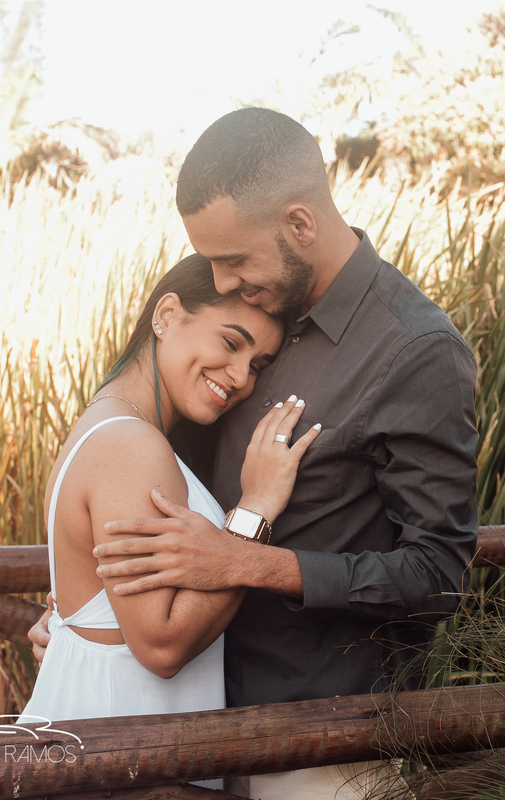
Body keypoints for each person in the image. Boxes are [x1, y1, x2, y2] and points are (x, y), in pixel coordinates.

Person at [30, 108, 480, 799]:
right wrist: (86, 616)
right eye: (211, 265)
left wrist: (253, 559)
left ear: (299, 225)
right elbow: (160, 486)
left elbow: (438, 576)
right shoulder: (260, 321)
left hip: (316, 743)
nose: (227, 280)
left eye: (234, 260)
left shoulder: (413, 351)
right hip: (195, 726)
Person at [18, 254, 320, 789]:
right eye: (231, 343)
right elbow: (161, 644)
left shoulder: (115, 424)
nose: (240, 377)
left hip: (118, 739)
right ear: (167, 315)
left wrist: (64, 626)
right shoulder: (131, 445)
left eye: (258, 365)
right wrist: (255, 509)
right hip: (117, 752)